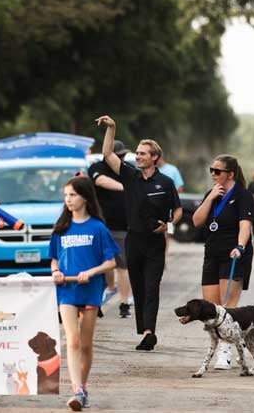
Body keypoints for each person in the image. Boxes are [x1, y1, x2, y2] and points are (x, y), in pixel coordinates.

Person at [96, 115, 182, 351]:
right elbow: (107, 154)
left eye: (143, 153)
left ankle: (148, 333)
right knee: (139, 287)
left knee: (152, 287)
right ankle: (144, 328)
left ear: (154, 157)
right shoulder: (129, 176)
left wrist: (169, 225)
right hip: (133, 240)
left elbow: (177, 210)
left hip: (155, 242)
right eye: (137, 153)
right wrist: (112, 128)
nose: (138, 156)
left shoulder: (165, 182)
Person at [49, 176, 119, 410]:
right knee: (72, 340)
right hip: (66, 290)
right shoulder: (61, 228)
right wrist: (56, 271)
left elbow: (111, 262)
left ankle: (84, 387)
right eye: (65, 195)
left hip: (90, 290)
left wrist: (91, 272)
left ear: (85, 198)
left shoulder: (98, 228)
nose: (68, 200)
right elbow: (54, 258)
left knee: (86, 345)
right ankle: (77, 391)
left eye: (73, 195)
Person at [192, 154, 254, 370]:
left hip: (233, 254)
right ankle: (231, 343)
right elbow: (197, 221)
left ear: (230, 174)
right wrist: (210, 198)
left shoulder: (243, 195)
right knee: (211, 310)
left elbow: (245, 225)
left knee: (227, 307)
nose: (213, 174)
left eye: (217, 171)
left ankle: (225, 353)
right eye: (211, 170)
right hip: (212, 253)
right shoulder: (212, 193)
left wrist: (240, 246)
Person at [88, 140, 132, 318]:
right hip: (101, 225)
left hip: (122, 226)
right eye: (118, 156)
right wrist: (126, 187)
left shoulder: (127, 170)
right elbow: (101, 181)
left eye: (122, 156)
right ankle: (97, 301)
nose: (121, 159)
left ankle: (124, 303)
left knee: (123, 265)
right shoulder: (96, 168)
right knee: (99, 265)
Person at [157, 156, 185, 263]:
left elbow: (180, 188)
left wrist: (166, 193)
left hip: (170, 211)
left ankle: (163, 258)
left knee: (167, 234)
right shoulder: (151, 169)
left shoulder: (172, 169)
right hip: (154, 209)